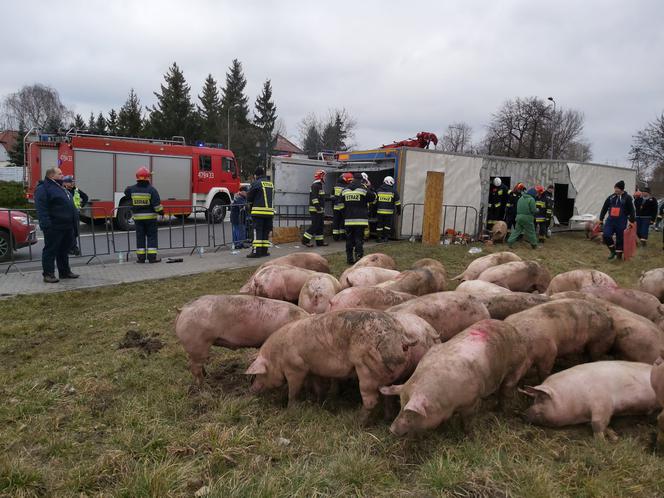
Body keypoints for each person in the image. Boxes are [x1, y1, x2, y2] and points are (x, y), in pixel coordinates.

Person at [34, 167, 79, 283]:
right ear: (51, 176)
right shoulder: (44, 188)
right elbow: (42, 209)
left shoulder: (60, 187)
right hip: (54, 226)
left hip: (67, 226)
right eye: (60, 174)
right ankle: (48, 274)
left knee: (64, 250)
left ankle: (64, 272)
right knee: (51, 250)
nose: (62, 175)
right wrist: (47, 225)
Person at [124, 166, 164, 263]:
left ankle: (141, 258)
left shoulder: (132, 189)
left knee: (140, 237)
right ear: (147, 178)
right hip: (150, 219)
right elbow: (157, 206)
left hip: (138, 219)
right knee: (151, 237)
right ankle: (152, 258)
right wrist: (162, 212)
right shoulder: (152, 190)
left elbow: (126, 192)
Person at [342, 172, 376, 264]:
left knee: (349, 239)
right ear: (361, 180)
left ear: (353, 179)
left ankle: (349, 259)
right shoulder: (363, 189)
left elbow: (341, 202)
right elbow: (373, 198)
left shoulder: (345, 190)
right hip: (360, 219)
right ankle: (359, 257)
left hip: (348, 219)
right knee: (358, 239)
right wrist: (369, 187)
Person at [599, 180, 635, 260]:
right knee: (606, 235)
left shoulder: (627, 198)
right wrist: (601, 219)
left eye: (617, 188)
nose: (615, 190)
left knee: (620, 239)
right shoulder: (611, 197)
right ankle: (612, 251)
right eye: (615, 188)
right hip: (610, 221)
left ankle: (619, 257)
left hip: (621, 221)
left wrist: (632, 221)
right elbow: (604, 208)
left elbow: (632, 210)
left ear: (621, 189)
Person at [246, 166, 274, 258]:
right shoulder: (270, 183)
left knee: (257, 232)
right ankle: (264, 251)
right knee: (265, 232)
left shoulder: (256, 183)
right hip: (269, 213)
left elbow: (249, 197)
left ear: (256, 175)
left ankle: (256, 252)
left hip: (258, 212)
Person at [62, 175, 88, 255]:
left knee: (76, 231)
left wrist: (81, 205)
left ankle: (71, 247)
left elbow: (85, 197)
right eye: (71, 182)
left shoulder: (76, 190)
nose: (72, 183)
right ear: (65, 183)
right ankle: (73, 248)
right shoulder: (62, 191)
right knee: (70, 231)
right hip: (66, 214)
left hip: (75, 214)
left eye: (73, 181)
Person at [302, 169, 328, 247]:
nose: (325, 178)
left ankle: (320, 242)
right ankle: (305, 240)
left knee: (320, 226)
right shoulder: (315, 185)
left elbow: (320, 198)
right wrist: (318, 208)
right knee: (315, 226)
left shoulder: (319, 185)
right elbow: (314, 198)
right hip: (315, 210)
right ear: (321, 176)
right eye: (325, 176)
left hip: (319, 210)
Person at [375, 176, 401, 242]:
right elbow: (397, 202)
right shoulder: (393, 191)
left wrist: (373, 211)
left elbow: (374, 202)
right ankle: (386, 238)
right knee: (387, 225)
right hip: (389, 212)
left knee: (379, 225)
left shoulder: (378, 190)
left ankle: (379, 238)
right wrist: (399, 211)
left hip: (379, 212)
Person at [332, 173, 353, 240]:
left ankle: (335, 237)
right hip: (344, 207)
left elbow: (332, 196)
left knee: (336, 221)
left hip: (336, 207)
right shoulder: (347, 186)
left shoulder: (335, 185)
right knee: (343, 221)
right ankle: (343, 236)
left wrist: (334, 203)